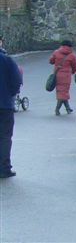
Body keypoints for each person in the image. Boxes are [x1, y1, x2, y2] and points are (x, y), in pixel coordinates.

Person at [0, 46, 22, 178]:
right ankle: (4, 168)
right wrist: (10, 95)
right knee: (5, 137)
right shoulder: (7, 60)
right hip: (4, 104)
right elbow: (16, 81)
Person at [49, 40, 76, 115]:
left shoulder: (56, 52)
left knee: (61, 92)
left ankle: (68, 108)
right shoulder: (72, 55)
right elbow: (74, 66)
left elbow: (51, 61)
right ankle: (57, 109)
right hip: (66, 76)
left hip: (57, 74)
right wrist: (73, 72)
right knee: (64, 92)